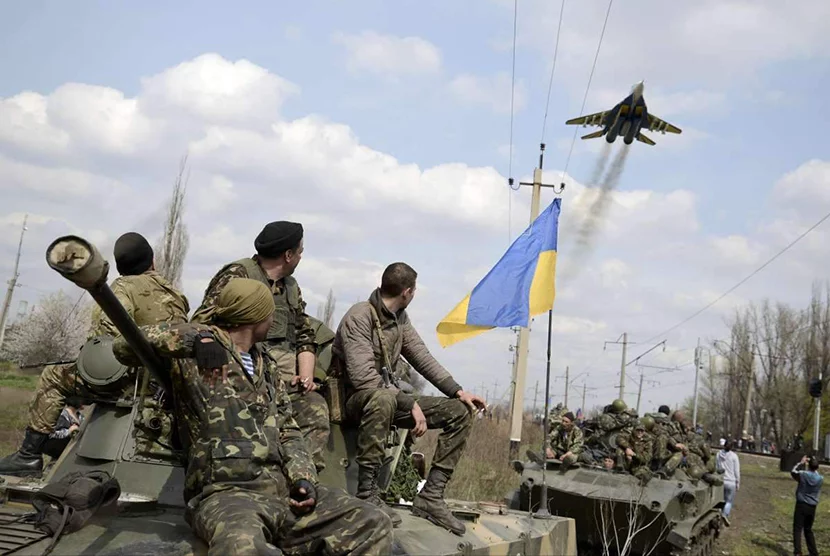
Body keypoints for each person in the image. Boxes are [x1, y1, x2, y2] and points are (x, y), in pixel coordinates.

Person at [113, 278, 392, 555]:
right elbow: (123, 345)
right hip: (227, 495)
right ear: (255, 317)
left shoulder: (266, 365)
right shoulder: (193, 353)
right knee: (241, 545)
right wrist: (195, 338)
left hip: (280, 492)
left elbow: (288, 430)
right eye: (269, 313)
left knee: (372, 521)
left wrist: (303, 479)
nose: (272, 320)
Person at [0, 232, 189, 476]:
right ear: (153, 262)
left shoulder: (124, 286)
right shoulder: (175, 294)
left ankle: (28, 456)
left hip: (134, 384)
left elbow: (105, 339)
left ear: (120, 267)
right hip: (167, 383)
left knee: (54, 375)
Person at [332, 262, 486, 535]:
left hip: (388, 400)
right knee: (382, 399)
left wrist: (457, 391)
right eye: (414, 291)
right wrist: (409, 403)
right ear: (407, 292)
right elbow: (363, 379)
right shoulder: (360, 316)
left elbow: (422, 357)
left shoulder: (399, 319)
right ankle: (367, 493)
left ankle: (431, 496)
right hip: (354, 402)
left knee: (460, 411)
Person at [191, 221, 330, 471]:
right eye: (300, 252)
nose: (301, 257)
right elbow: (202, 322)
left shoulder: (290, 288)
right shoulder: (238, 275)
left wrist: (306, 377)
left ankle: (302, 478)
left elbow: (305, 335)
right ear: (288, 255)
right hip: (240, 372)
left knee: (315, 408)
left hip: (280, 379)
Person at [791, 455, 823, 556]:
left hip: (801, 505)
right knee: (808, 529)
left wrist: (801, 462)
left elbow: (793, 472)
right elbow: (815, 472)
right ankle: (813, 552)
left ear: (809, 465)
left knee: (797, 528)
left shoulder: (803, 475)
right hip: (812, 507)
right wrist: (813, 462)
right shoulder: (820, 479)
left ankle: (798, 552)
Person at [716, 440, 740, 525]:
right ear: (732, 447)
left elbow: (717, 467)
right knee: (729, 501)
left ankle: (717, 516)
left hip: (721, 480)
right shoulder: (734, 456)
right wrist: (738, 482)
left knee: (719, 500)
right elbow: (736, 471)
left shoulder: (718, 454)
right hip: (731, 481)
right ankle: (725, 514)